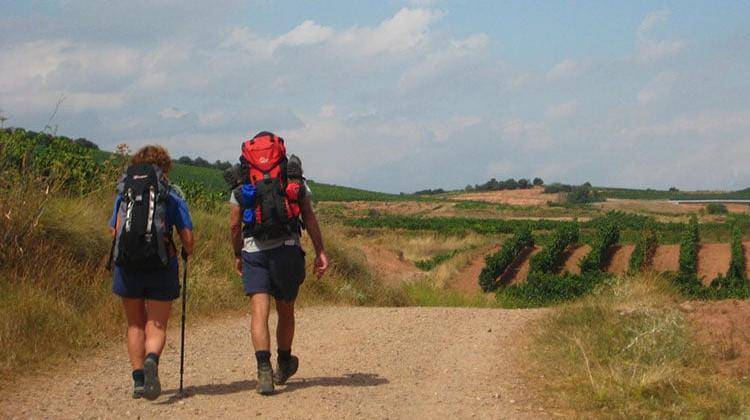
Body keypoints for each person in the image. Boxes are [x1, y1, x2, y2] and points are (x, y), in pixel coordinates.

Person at [229, 132, 328, 395]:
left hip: (254, 252)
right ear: (280, 152)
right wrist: (320, 251)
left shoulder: (243, 181)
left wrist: (238, 253)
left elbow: (234, 224)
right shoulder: (292, 176)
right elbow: (309, 217)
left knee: (259, 313)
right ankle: (283, 363)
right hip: (287, 250)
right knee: (285, 311)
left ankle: (264, 370)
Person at [109, 145, 195, 400]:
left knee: (134, 323)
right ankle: (151, 359)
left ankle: (138, 381)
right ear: (165, 167)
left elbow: (114, 231)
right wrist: (187, 251)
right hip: (161, 264)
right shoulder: (171, 193)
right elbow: (187, 235)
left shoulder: (123, 191)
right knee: (156, 324)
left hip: (127, 266)